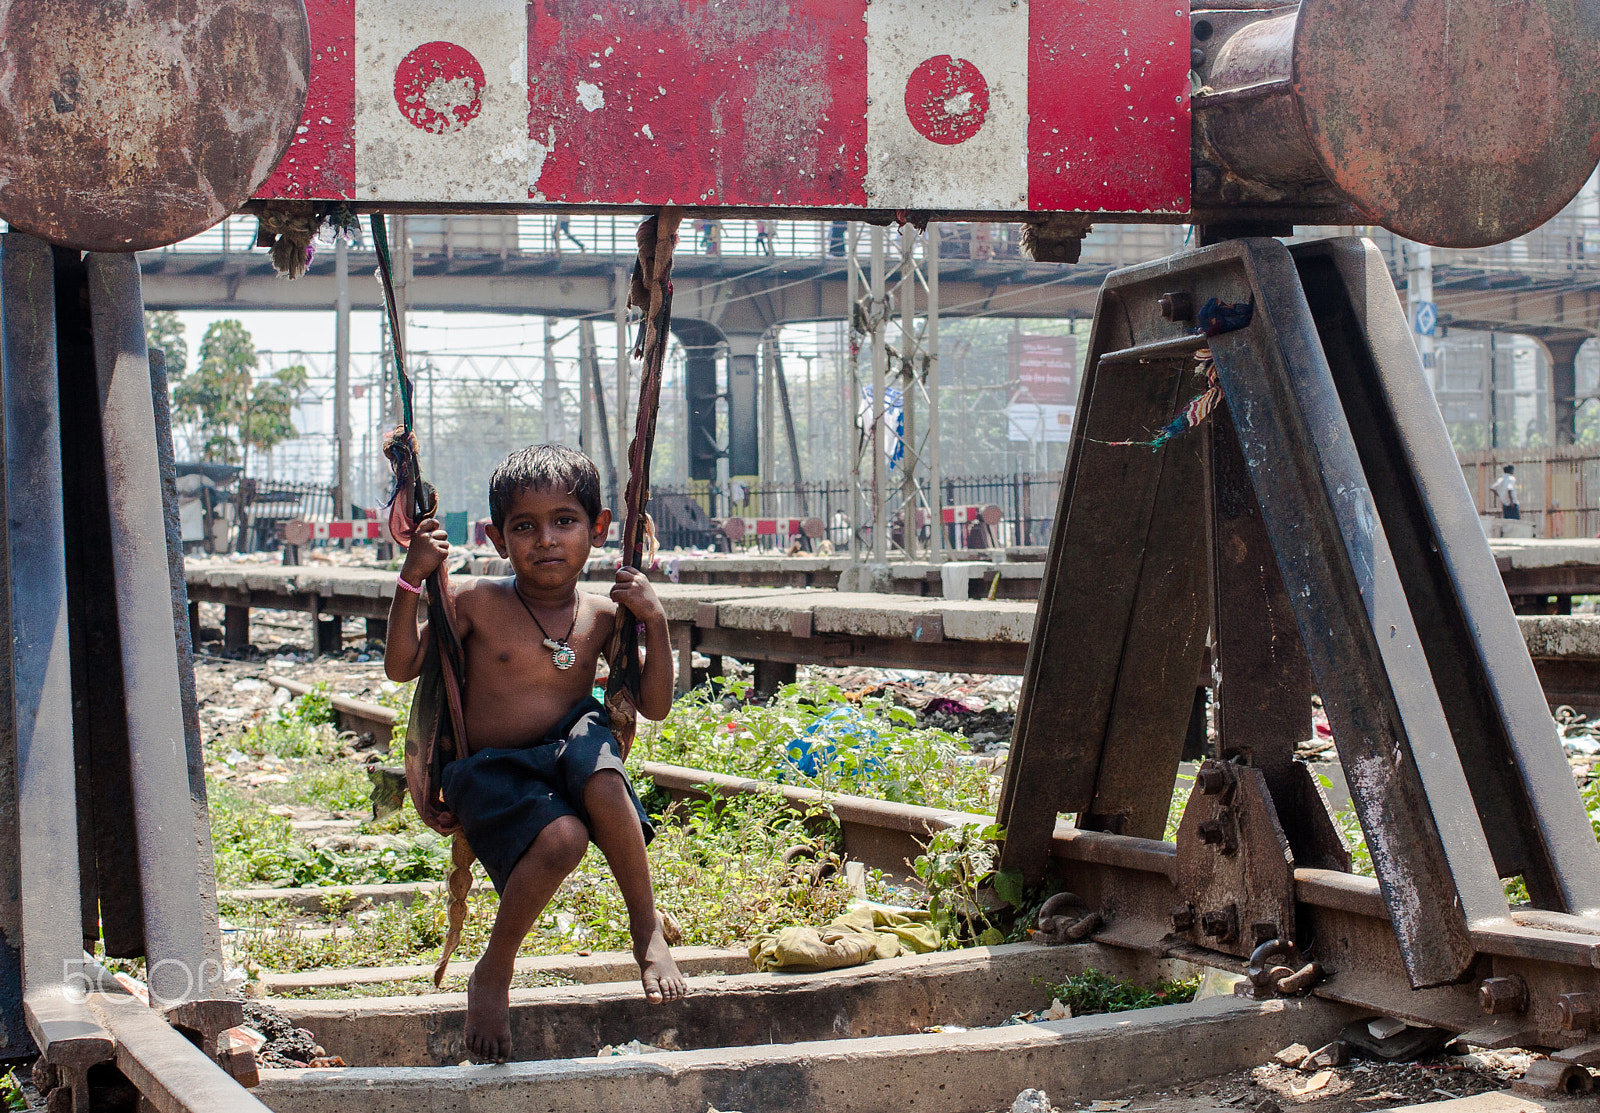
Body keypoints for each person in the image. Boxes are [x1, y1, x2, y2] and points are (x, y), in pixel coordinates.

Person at [384, 445, 685, 1062]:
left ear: (598, 529)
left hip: (571, 753)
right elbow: (401, 666)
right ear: (498, 539)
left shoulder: (604, 615)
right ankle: (494, 968)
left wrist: (655, 623)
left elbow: (653, 706)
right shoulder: (473, 600)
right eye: (524, 527)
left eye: (565, 521)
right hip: (494, 771)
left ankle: (646, 926)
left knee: (602, 774)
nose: (546, 540)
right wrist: (412, 578)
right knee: (563, 840)